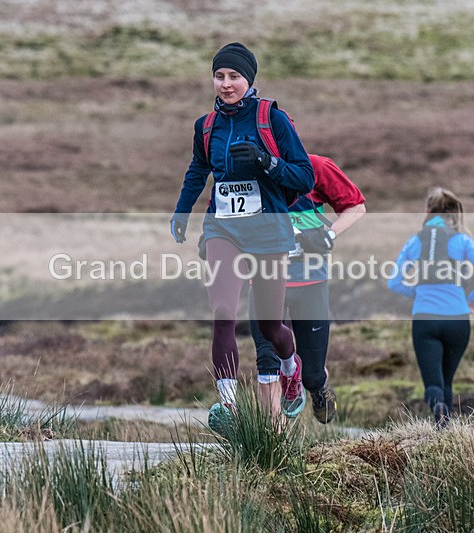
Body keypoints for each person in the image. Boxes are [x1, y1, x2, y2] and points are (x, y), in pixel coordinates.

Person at [170, 43, 315, 434]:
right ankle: (230, 407)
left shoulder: (273, 119)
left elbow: (305, 177)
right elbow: (198, 170)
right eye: (219, 76)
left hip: (268, 231)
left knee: (270, 326)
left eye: (234, 76)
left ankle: (291, 367)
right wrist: (183, 212)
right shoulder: (206, 126)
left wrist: (267, 162)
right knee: (222, 313)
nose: (226, 83)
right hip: (223, 228)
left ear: (249, 79)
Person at [249, 154, 365, 424]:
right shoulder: (250, 169)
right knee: (267, 363)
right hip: (263, 279)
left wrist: (328, 235)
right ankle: (271, 444)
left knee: (312, 374)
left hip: (311, 282)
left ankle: (319, 388)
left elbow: (356, 206)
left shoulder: (316, 167)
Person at [387, 187, 474, 428]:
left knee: (433, 384)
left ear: (427, 211)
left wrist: (416, 292)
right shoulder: (461, 239)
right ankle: (445, 431)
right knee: (447, 380)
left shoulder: (415, 241)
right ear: (451, 213)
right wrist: (473, 299)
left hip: (425, 319)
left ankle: (440, 415)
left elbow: (393, 281)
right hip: (458, 319)